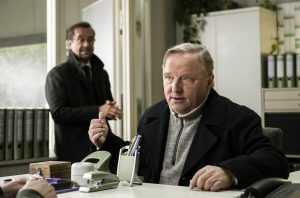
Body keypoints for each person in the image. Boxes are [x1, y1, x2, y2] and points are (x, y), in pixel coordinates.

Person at [88, 43, 289, 191]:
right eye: (168, 78)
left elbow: (277, 162)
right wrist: (108, 141)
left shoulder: (238, 118)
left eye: (186, 79)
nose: (175, 88)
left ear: (209, 80)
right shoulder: (152, 116)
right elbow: (140, 163)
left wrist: (230, 172)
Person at [45, 21, 122, 163]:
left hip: (102, 148)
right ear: (69, 43)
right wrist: (99, 109)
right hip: (73, 152)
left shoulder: (101, 73)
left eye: (90, 39)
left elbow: (104, 106)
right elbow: (59, 114)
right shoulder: (57, 75)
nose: (87, 44)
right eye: (81, 39)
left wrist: (111, 110)